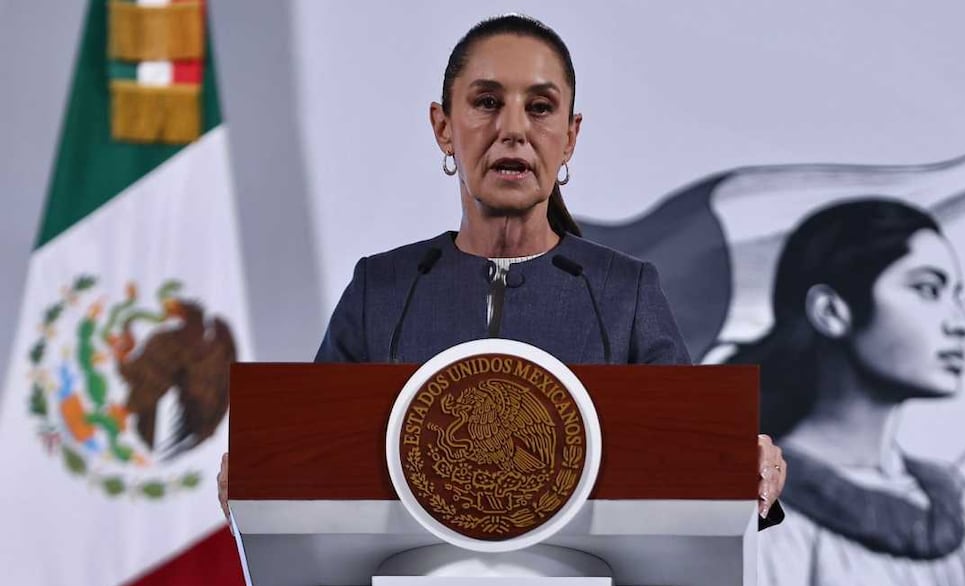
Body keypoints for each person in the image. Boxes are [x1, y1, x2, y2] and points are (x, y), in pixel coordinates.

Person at [218, 15, 785, 525]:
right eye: (487, 102)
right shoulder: (382, 290)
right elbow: (309, 456)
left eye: (540, 108)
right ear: (443, 127)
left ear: (570, 135)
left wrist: (747, 471)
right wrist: (260, 475)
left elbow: (692, 460)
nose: (513, 129)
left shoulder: (623, 292)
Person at [682, 199, 965, 586]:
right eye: (927, 290)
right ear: (832, 310)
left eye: (956, 295)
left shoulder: (953, 502)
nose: (959, 323)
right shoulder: (759, 499)